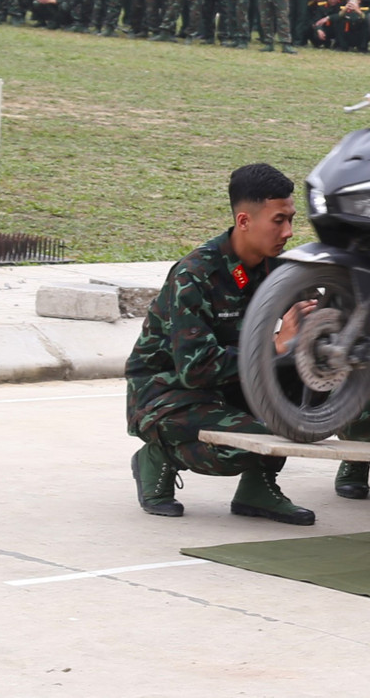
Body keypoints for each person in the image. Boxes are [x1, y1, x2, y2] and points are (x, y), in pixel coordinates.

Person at [125, 163, 316, 524]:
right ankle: (159, 456)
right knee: (251, 441)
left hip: (230, 385)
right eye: (278, 220)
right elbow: (196, 369)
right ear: (244, 221)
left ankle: (257, 489)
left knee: (310, 399)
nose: (289, 232)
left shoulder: (278, 268)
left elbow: (315, 321)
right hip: (168, 393)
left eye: (291, 219)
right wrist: (274, 346)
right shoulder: (195, 276)